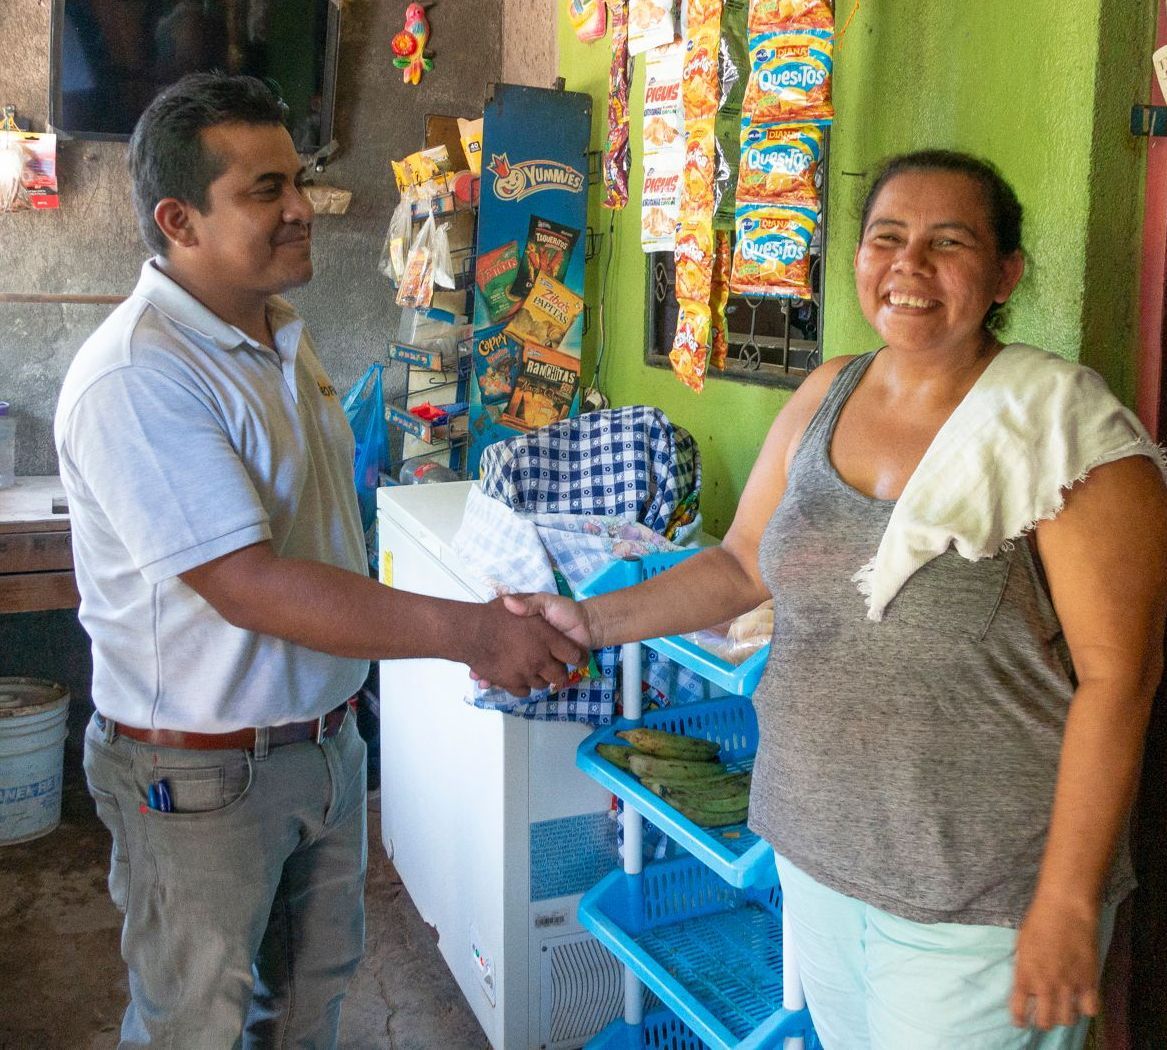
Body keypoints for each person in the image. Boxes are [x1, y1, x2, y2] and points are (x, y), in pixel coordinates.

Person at [506, 150, 1167, 1048]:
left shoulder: (1062, 429)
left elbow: (1118, 680)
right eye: (886, 238)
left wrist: (1064, 899)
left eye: (949, 242)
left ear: (1006, 270)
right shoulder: (828, 391)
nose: (909, 265)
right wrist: (585, 621)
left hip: (977, 896)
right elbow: (742, 564)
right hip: (815, 857)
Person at [53, 72, 584, 1049]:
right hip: (201, 780)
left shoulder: (279, 335)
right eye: (266, 191)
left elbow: (319, 534)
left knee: (307, 1000)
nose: (303, 208)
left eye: (295, 180)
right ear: (180, 219)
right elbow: (248, 585)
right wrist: (471, 634)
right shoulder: (142, 372)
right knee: (193, 1025)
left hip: (324, 748)